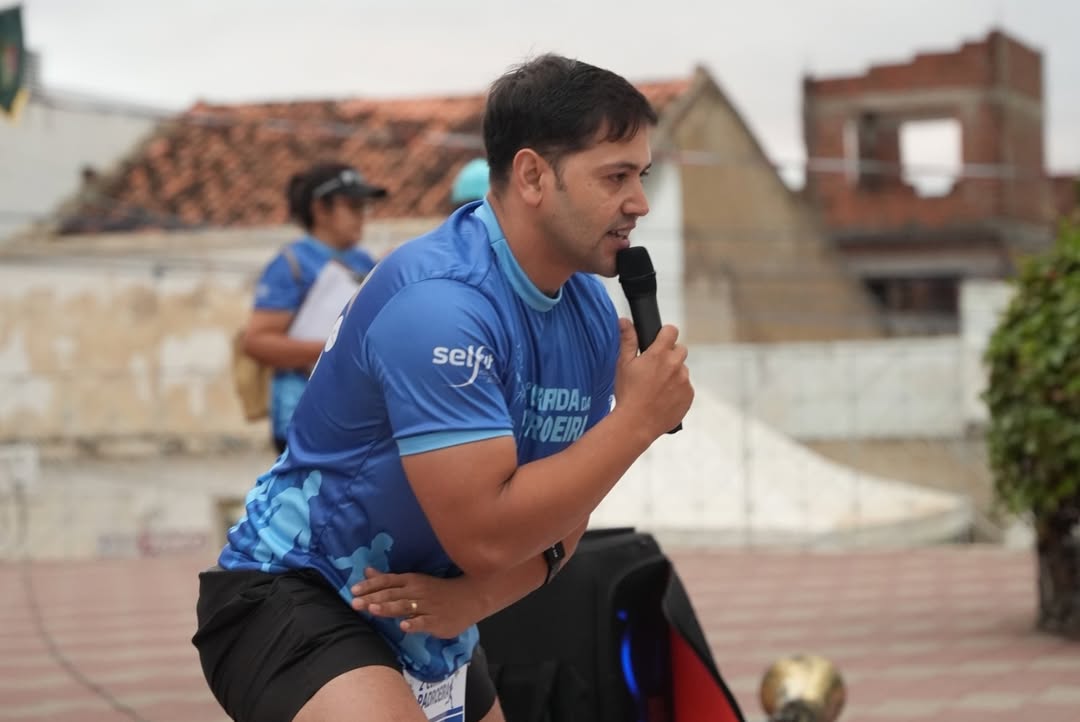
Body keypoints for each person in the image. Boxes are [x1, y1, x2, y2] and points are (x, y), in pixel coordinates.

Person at [193, 53, 693, 722]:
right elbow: (486, 538)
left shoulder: (591, 312)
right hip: (296, 590)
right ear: (534, 175)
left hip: (432, 612)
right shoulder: (441, 304)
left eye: (642, 175)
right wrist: (634, 422)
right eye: (616, 176)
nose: (640, 202)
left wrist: (474, 603)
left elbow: (564, 511)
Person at [241, 162, 386, 453]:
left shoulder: (364, 262)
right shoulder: (290, 265)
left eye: (364, 207)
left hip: (353, 415)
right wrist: (333, 349)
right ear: (321, 209)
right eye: (353, 206)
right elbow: (257, 340)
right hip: (302, 415)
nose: (362, 217)